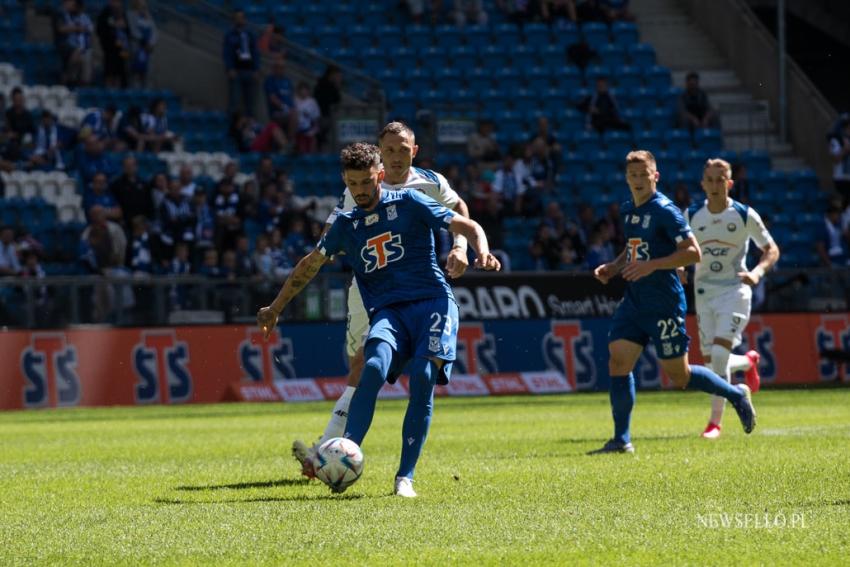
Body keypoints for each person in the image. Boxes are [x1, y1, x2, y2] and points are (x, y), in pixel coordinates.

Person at [257, 143, 501, 497]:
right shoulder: (345, 225)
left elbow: (466, 222)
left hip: (432, 303)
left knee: (422, 376)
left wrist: (481, 248)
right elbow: (310, 264)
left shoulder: (409, 202)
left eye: (366, 182)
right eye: (353, 184)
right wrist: (276, 306)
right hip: (389, 313)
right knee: (371, 367)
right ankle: (343, 458)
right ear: (345, 181)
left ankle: (405, 478)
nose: (360, 190)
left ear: (380, 176)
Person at [290, 122, 473, 476]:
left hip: (416, 290)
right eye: (388, 150)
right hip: (370, 289)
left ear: (413, 151)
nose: (396, 157)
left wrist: (461, 246)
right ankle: (331, 451)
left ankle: (325, 452)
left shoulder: (429, 183)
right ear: (379, 153)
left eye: (402, 149)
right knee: (360, 365)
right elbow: (332, 232)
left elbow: (460, 208)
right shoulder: (363, 184)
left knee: (377, 366)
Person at [589, 150, 756, 454]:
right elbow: (634, 249)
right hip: (635, 300)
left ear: (656, 176)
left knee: (679, 375)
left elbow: (694, 253)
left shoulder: (666, 210)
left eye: (644, 174)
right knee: (618, 361)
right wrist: (613, 267)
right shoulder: (628, 209)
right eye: (633, 175)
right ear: (627, 178)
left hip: (663, 302)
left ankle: (735, 395)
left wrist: (653, 265)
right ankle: (621, 439)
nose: (638, 180)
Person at [686, 158, 780, 439]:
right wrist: (679, 269)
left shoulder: (743, 215)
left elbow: (771, 249)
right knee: (712, 363)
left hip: (734, 290)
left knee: (716, 356)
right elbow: (680, 249)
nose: (715, 185)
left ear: (729, 183)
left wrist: (757, 272)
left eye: (720, 180)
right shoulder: (691, 215)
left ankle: (715, 423)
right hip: (704, 293)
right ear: (702, 184)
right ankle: (748, 362)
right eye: (709, 180)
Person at [223, 9, 259, 116]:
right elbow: (227, 52)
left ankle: (250, 126)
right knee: (234, 99)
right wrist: (229, 68)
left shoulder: (250, 35)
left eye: (242, 18)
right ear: (234, 20)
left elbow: (255, 52)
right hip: (236, 71)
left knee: (250, 101)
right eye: (237, 18)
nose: (240, 20)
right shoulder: (230, 35)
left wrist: (256, 69)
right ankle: (232, 126)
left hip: (249, 70)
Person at [127, 0, 157, 87]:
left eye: (144, 5)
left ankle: (147, 93)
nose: (143, 7)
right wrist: (145, 42)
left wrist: (151, 43)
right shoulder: (130, 14)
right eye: (141, 4)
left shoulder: (148, 16)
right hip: (136, 48)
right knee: (135, 73)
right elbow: (133, 31)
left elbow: (154, 31)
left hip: (148, 50)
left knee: (148, 73)